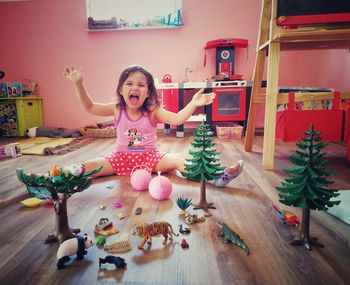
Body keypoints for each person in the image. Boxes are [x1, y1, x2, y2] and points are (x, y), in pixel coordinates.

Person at [63, 65, 243, 187]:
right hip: (121, 157)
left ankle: (217, 176)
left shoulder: (152, 110)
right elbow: (90, 107)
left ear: (148, 92)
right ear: (121, 89)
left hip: (151, 157)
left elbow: (178, 119)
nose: (135, 88)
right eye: (129, 84)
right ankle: (61, 176)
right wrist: (78, 84)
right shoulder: (117, 109)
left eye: (141, 85)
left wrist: (194, 104)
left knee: (179, 160)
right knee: (93, 165)